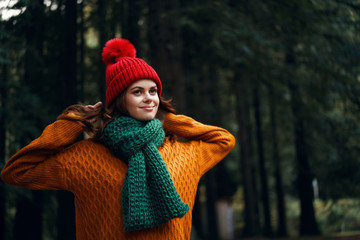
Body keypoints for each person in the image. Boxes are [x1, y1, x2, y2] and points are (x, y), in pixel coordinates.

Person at [1, 38, 235, 239]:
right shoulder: (84, 158)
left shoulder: (184, 154)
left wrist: (168, 120)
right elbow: (17, 171)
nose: (149, 98)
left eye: (153, 91)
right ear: (119, 100)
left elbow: (223, 139)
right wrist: (72, 123)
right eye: (137, 92)